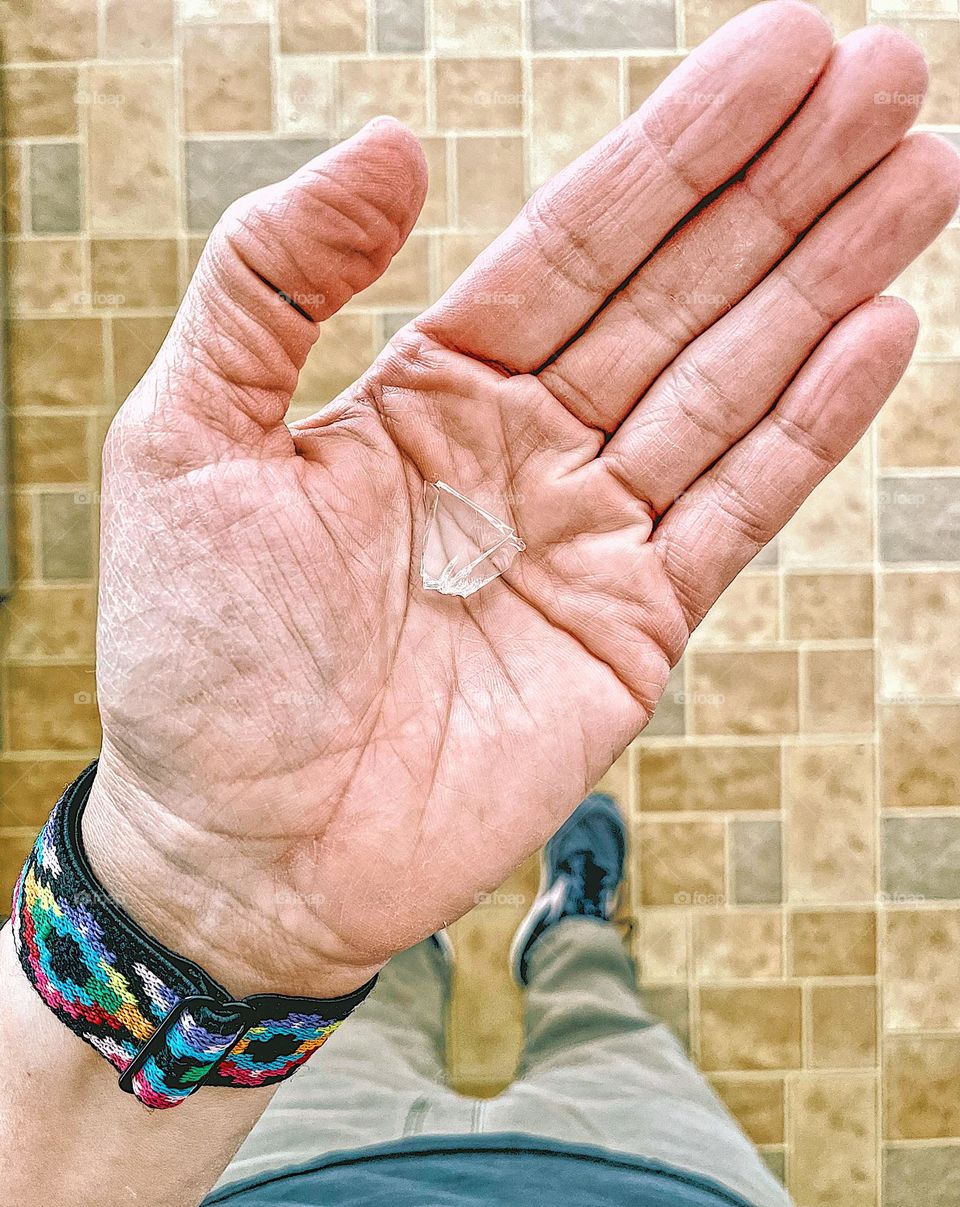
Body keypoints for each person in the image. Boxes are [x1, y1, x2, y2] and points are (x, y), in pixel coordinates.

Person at [1, 3, 958, 1205]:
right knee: (607, 1019)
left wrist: (198, 915)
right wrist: (218, 887)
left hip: (290, 1166)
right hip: (647, 1178)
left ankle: (417, 946)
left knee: (373, 993)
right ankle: (567, 929)